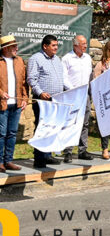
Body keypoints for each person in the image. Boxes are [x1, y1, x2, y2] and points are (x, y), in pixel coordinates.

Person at [27, 35, 64, 168]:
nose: (56, 48)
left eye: (56, 45)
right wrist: (40, 92)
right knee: (41, 128)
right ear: (45, 46)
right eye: (53, 45)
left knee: (52, 128)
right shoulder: (36, 59)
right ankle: (39, 158)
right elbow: (32, 79)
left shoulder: (57, 60)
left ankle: (48, 155)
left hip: (56, 100)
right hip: (43, 100)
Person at [61, 35, 94, 163]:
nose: (85, 46)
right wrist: (74, 90)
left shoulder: (87, 58)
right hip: (72, 95)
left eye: (86, 43)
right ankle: (68, 152)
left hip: (85, 95)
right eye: (83, 44)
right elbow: (64, 78)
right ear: (75, 45)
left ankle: (82, 150)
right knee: (70, 123)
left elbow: (90, 76)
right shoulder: (66, 59)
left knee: (84, 123)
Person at [0, 36, 27, 172]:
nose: (17, 48)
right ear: (5, 48)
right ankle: (0, 162)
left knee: (12, 133)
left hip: (15, 104)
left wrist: (25, 99)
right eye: (14, 46)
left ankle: (8, 160)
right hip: (2, 104)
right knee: (1, 133)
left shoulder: (19, 61)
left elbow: (23, 83)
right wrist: (0, 93)